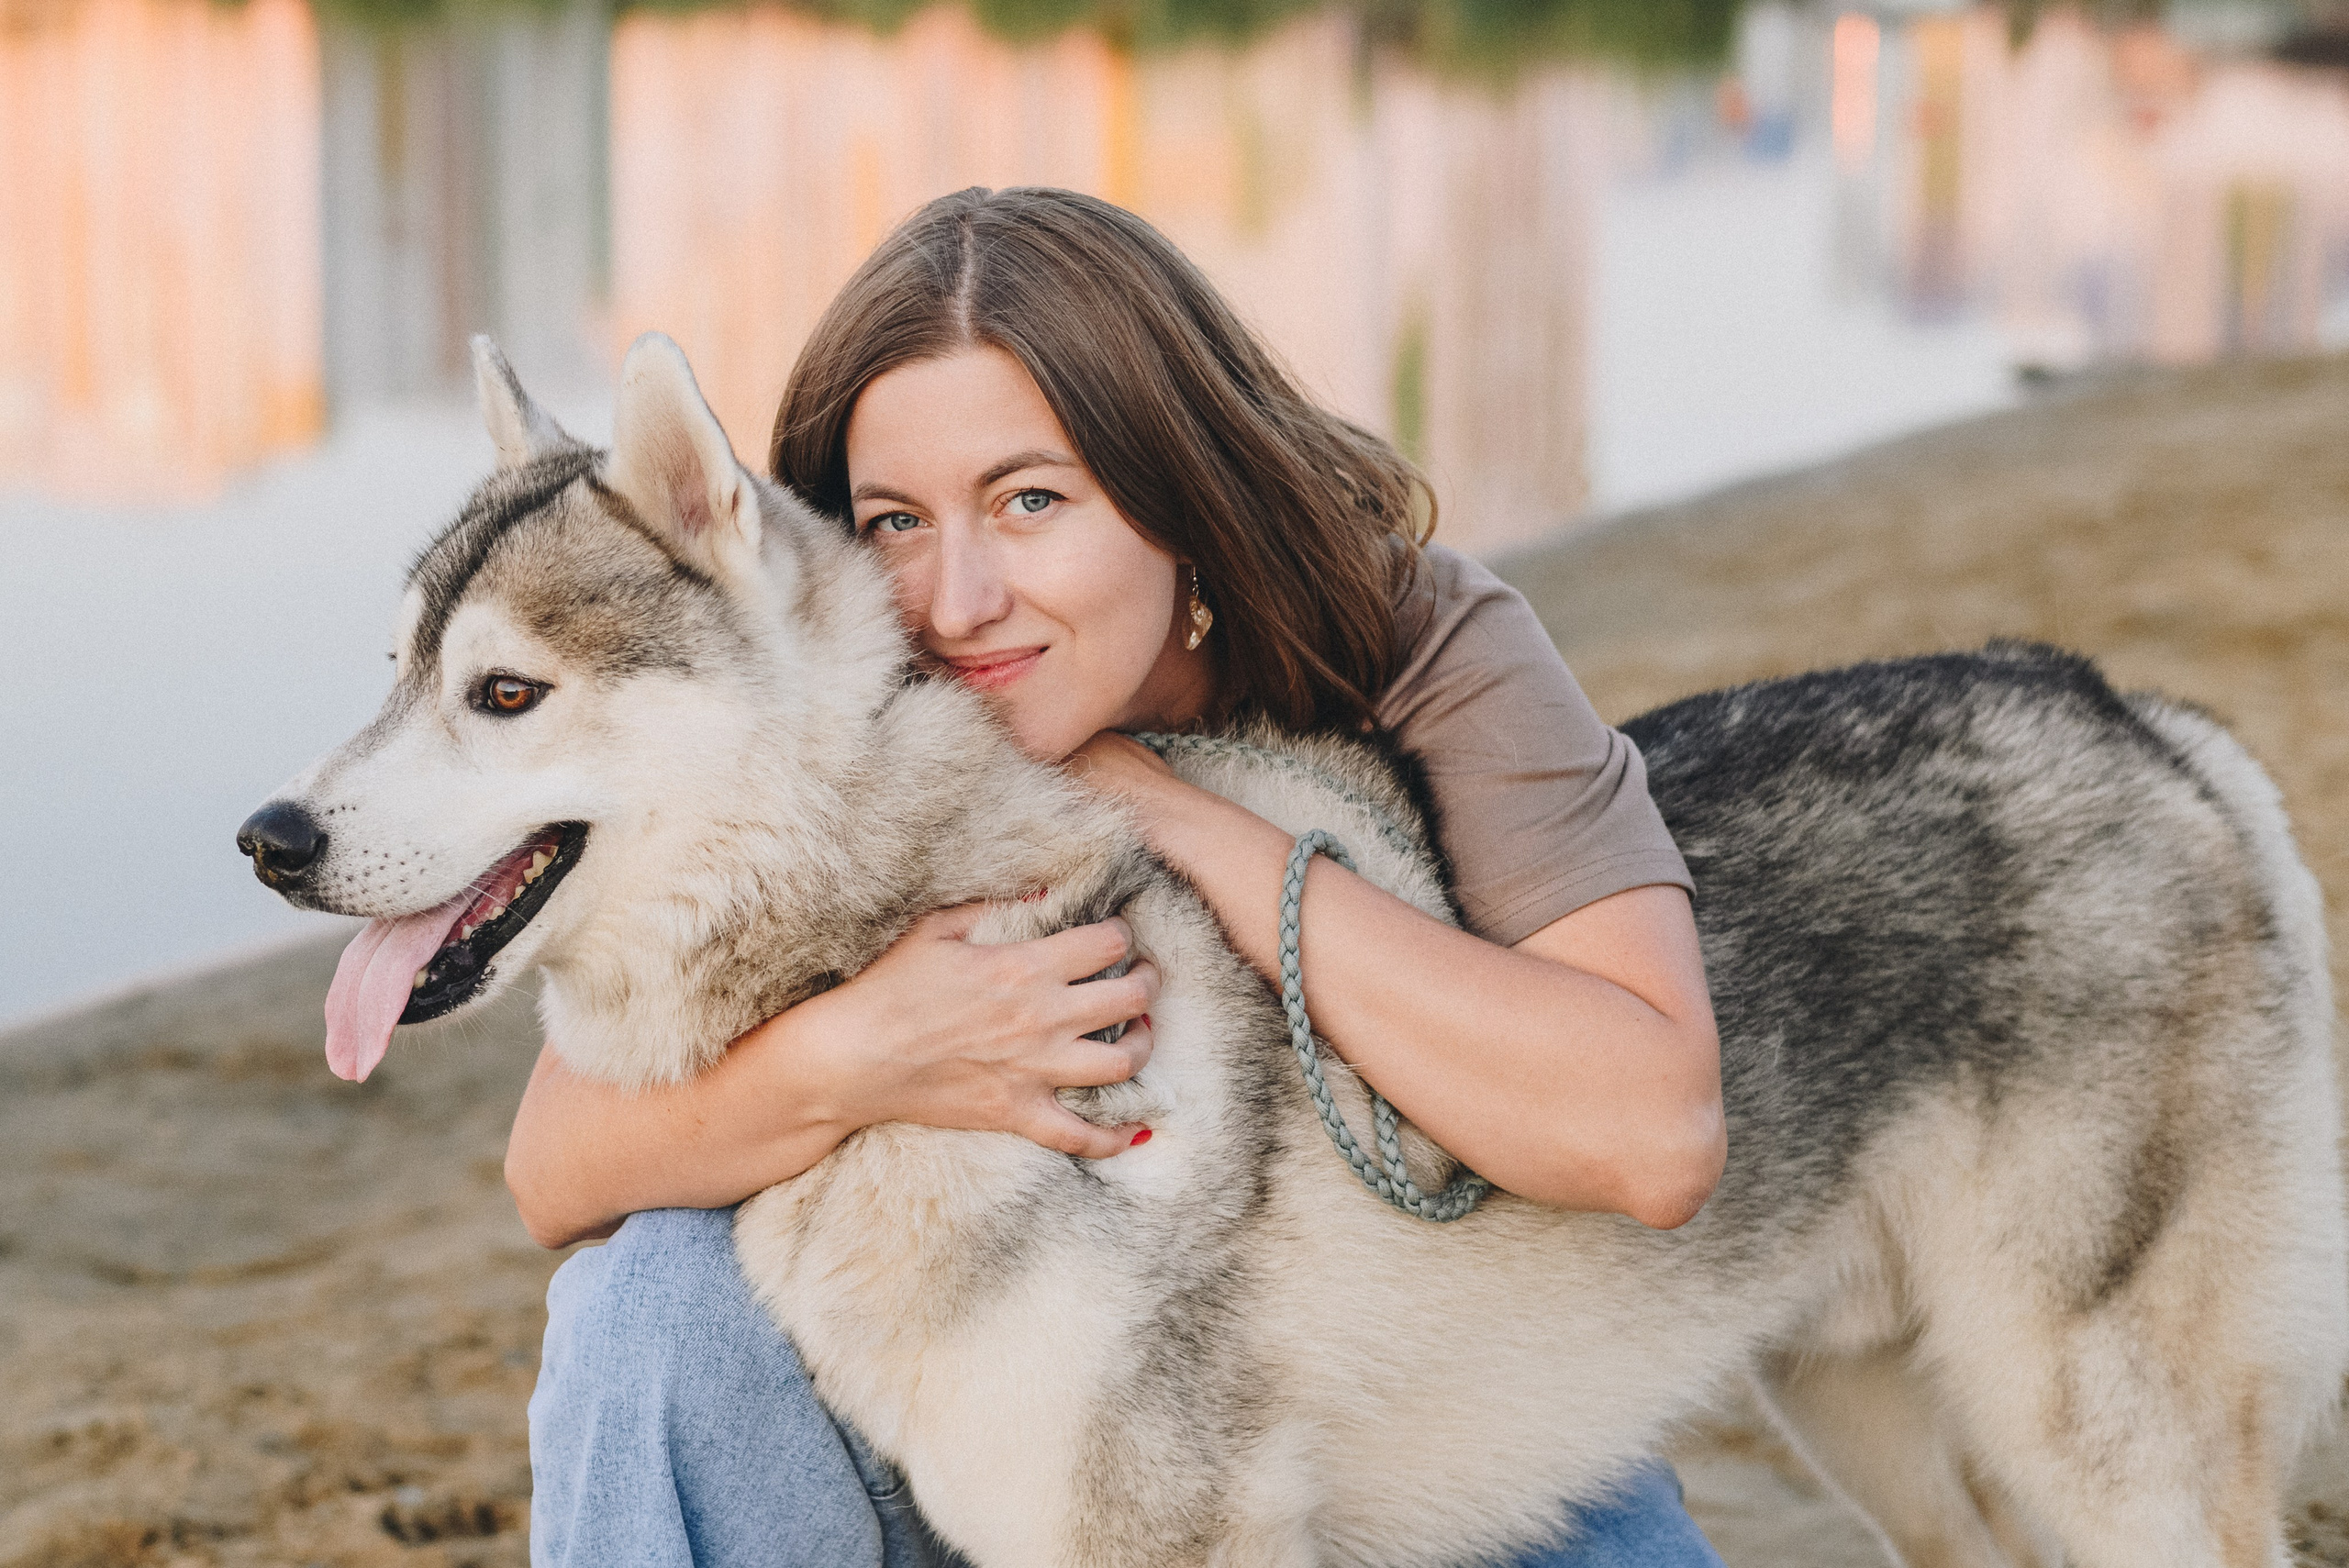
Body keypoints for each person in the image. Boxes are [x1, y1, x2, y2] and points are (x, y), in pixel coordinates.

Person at [507, 186, 1729, 1568]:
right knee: (652, 1302)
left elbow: (1654, 1134)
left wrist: (1169, 812)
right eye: (895, 520)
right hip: (962, 1414)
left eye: (1030, 500)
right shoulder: (840, 688)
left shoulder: (1411, 640)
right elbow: (555, 1165)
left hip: (1389, 1403)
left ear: (1178, 495)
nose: (958, 601)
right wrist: (868, 1051)